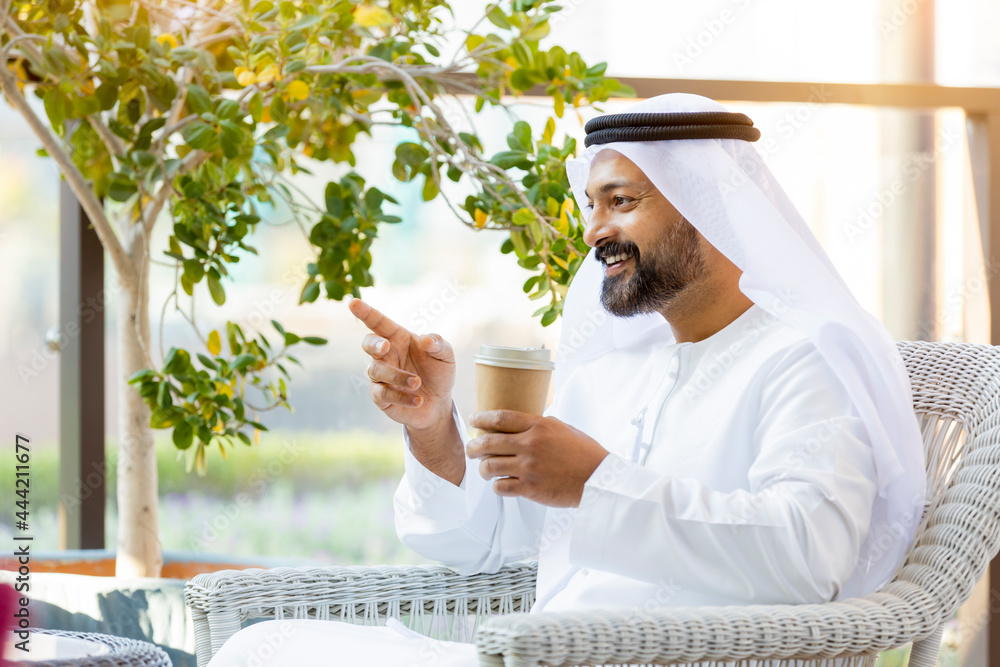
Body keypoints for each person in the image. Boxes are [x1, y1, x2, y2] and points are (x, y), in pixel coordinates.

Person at [206, 93, 926, 666]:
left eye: (621, 201)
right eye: (593, 204)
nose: (593, 231)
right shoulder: (617, 367)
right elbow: (486, 545)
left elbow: (809, 557)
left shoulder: (801, 359)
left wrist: (595, 481)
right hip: (529, 651)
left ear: (710, 211)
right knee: (257, 645)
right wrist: (433, 430)